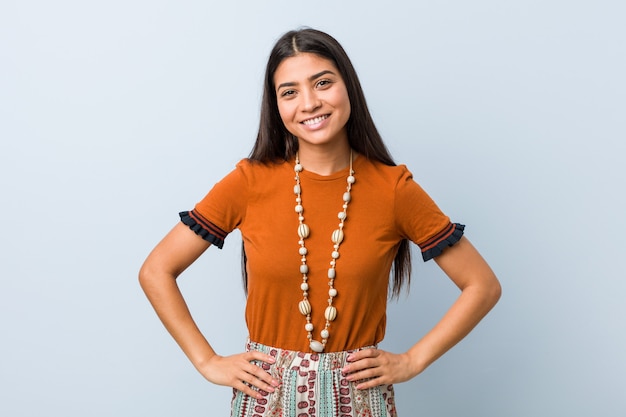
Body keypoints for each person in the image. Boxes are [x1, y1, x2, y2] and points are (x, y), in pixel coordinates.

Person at [139, 28, 501, 417]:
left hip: (361, 400)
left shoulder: (393, 188)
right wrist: (207, 361)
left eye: (323, 83)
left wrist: (412, 361)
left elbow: (482, 285)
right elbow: (156, 270)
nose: (309, 103)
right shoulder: (249, 182)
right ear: (276, 105)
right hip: (267, 398)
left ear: (348, 87)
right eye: (289, 92)